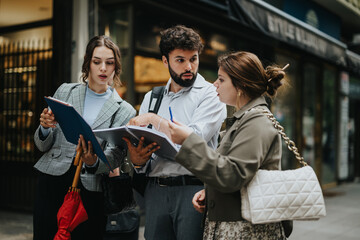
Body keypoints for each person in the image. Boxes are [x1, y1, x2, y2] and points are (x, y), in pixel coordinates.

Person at [168, 51, 288, 239]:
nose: (215, 84)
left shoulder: (256, 121)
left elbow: (233, 174)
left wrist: (187, 140)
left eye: (221, 80)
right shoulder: (245, 119)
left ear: (240, 86)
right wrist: (209, 192)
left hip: (246, 230)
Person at [123, 25, 227, 240]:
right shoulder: (153, 97)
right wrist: (138, 161)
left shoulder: (211, 94)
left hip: (193, 190)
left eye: (194, 59)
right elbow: (143, 146)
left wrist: (153, 120)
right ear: (165, 61)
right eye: (180, 60)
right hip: (155, 191)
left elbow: (193, 140)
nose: (189, 66)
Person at [33, 35, 136, 240]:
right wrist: (44, 128)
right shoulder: (65, 91)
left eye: (109, 63)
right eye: (97, 62)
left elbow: (115, 155)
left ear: (116, 66)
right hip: (52, 180)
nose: (103, 68)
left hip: (91, 187)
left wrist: (94, 162)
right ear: (87, 63)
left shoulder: (124, 110)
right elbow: (42, 144)